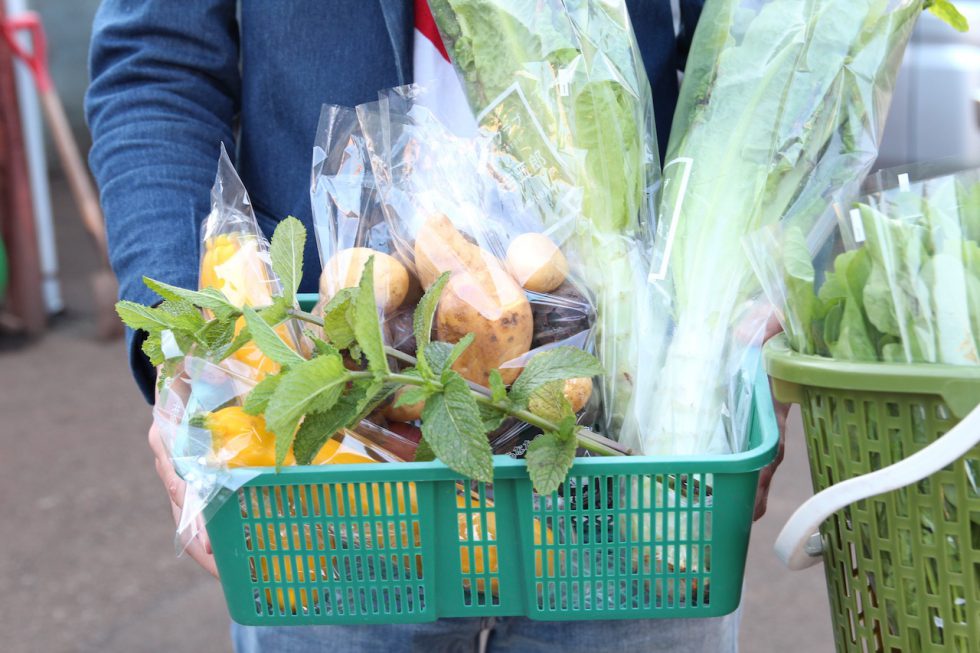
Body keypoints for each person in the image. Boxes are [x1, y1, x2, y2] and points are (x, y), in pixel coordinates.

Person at [87, 2, 782, 651]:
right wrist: (187, 348)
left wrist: (761, 296)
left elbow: (764, 41)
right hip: (333, 441)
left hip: (631, 445)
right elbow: (158, 62)